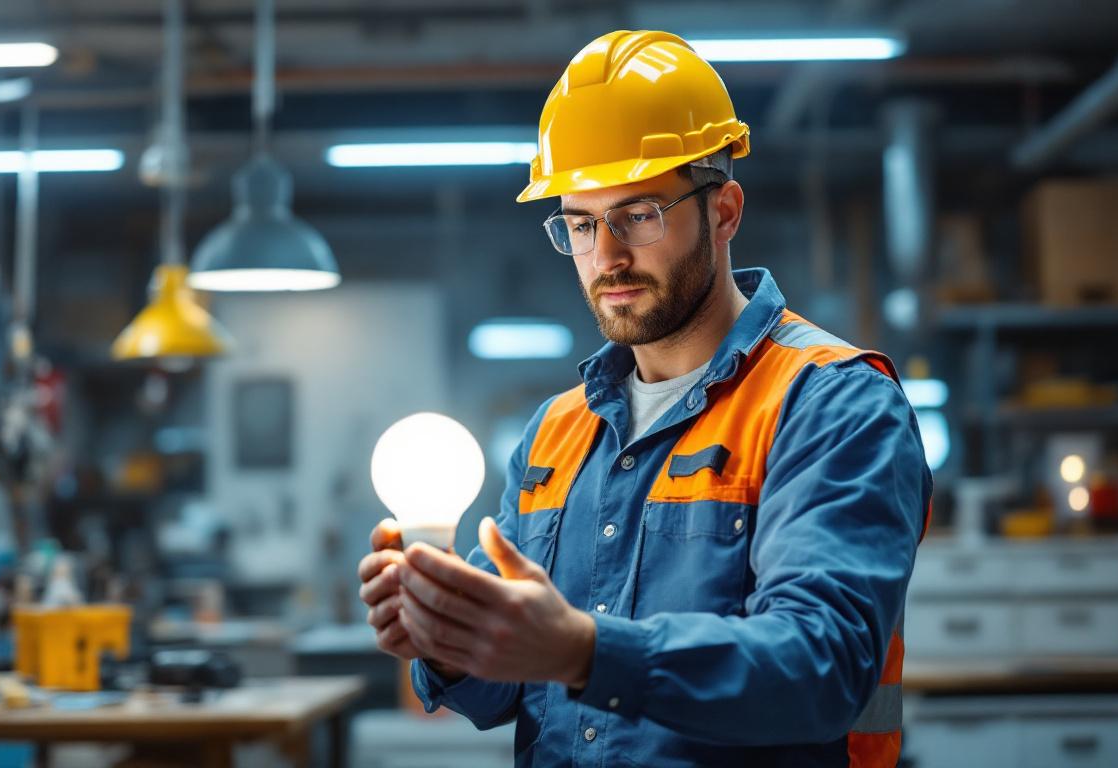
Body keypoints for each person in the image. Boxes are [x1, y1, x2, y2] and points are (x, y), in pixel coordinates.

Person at [358, 29, 931, 768]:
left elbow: (824, 667)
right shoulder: (556, 432)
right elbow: (504, 691)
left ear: (724, 211)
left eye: (638, 214)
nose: (607, 256)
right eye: (581, 223)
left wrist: (585, 650)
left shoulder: (832, 404)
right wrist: (445, 639)